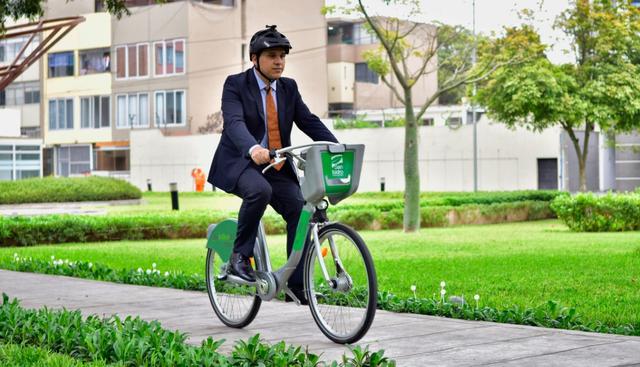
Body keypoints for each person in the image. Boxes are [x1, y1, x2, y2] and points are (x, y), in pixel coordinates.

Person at [207, 25, 338, 304]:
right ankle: (239, 257)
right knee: (260, 191)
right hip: (242, 162)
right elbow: (234, 123)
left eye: (282, 56)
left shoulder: (288, 87)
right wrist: (253, 147)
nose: (279, 61)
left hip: (275, 165)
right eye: (272, 56)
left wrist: (336, 147)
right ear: (255, 58)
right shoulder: (235, 84)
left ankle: (296, 282)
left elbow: (308, 120)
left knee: (301, 210)